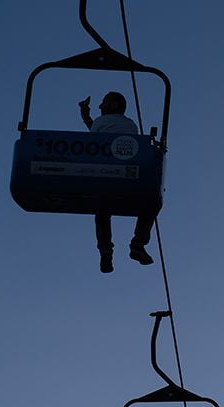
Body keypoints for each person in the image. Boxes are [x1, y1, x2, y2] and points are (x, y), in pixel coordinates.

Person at [78, 92, 156, 273]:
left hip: (104, 178)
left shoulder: (100, 122)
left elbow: (96, 136)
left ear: (114, 106)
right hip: (129, 179)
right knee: (151, 204)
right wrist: (87, 118)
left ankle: (105, 250)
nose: (100, 107)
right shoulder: (130, 125)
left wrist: (86, 117)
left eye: (104, 103)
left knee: (102, 212)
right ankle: (138, 243)